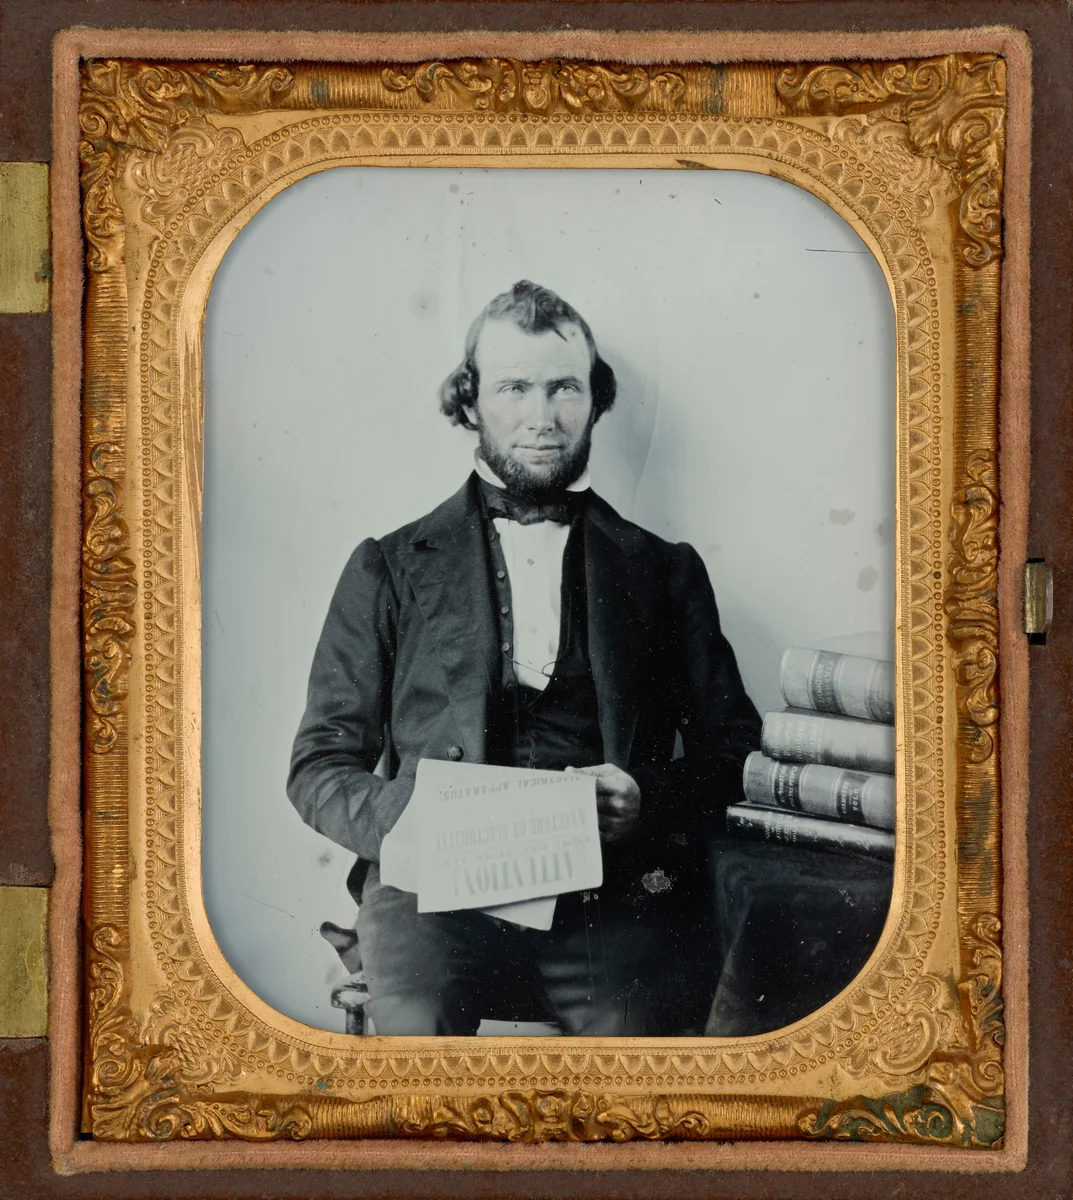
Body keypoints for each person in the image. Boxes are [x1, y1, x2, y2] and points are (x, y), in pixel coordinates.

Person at [288, 280, 760, 1036]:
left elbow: (736, 753)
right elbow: (318, 764)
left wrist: (646, 797)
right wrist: (412, 827)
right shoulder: (387, 565)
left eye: (563, 388)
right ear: (470, 401)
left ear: (596, 399)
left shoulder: (664, 570)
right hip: (430, 895)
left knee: (639, 1067)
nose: (541, 418)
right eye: (514, 388)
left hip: (612, 895)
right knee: (414, 1041)